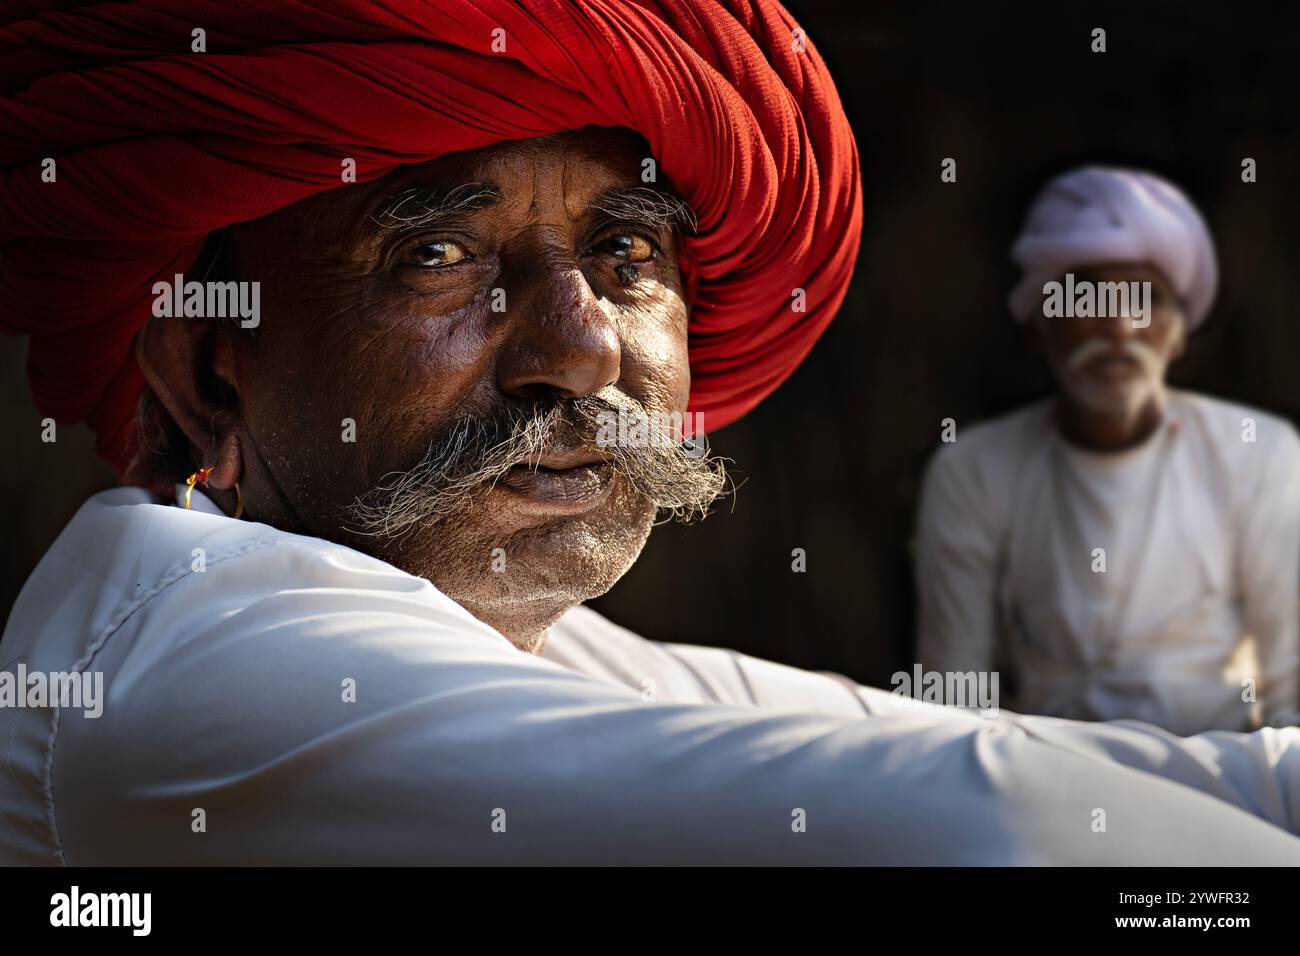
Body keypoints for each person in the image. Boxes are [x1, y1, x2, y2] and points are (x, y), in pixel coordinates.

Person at [2, 2, 1300, 865]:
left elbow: (1090, 769)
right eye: (442, 256)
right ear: (202, 368)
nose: (582, 345)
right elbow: (1001, 833)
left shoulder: (562, 659)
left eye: (625, 252)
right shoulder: (182, 660)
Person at [915, 166, 1300, 735]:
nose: (1119, 326)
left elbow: (1291, 690)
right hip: (1046, 768)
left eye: (1145, 301)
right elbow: (950, 703)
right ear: (1039, 326)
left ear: (1177, 332)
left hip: (1220, 774)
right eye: (1086, 299)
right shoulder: (971, 471)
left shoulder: (1261, 454)